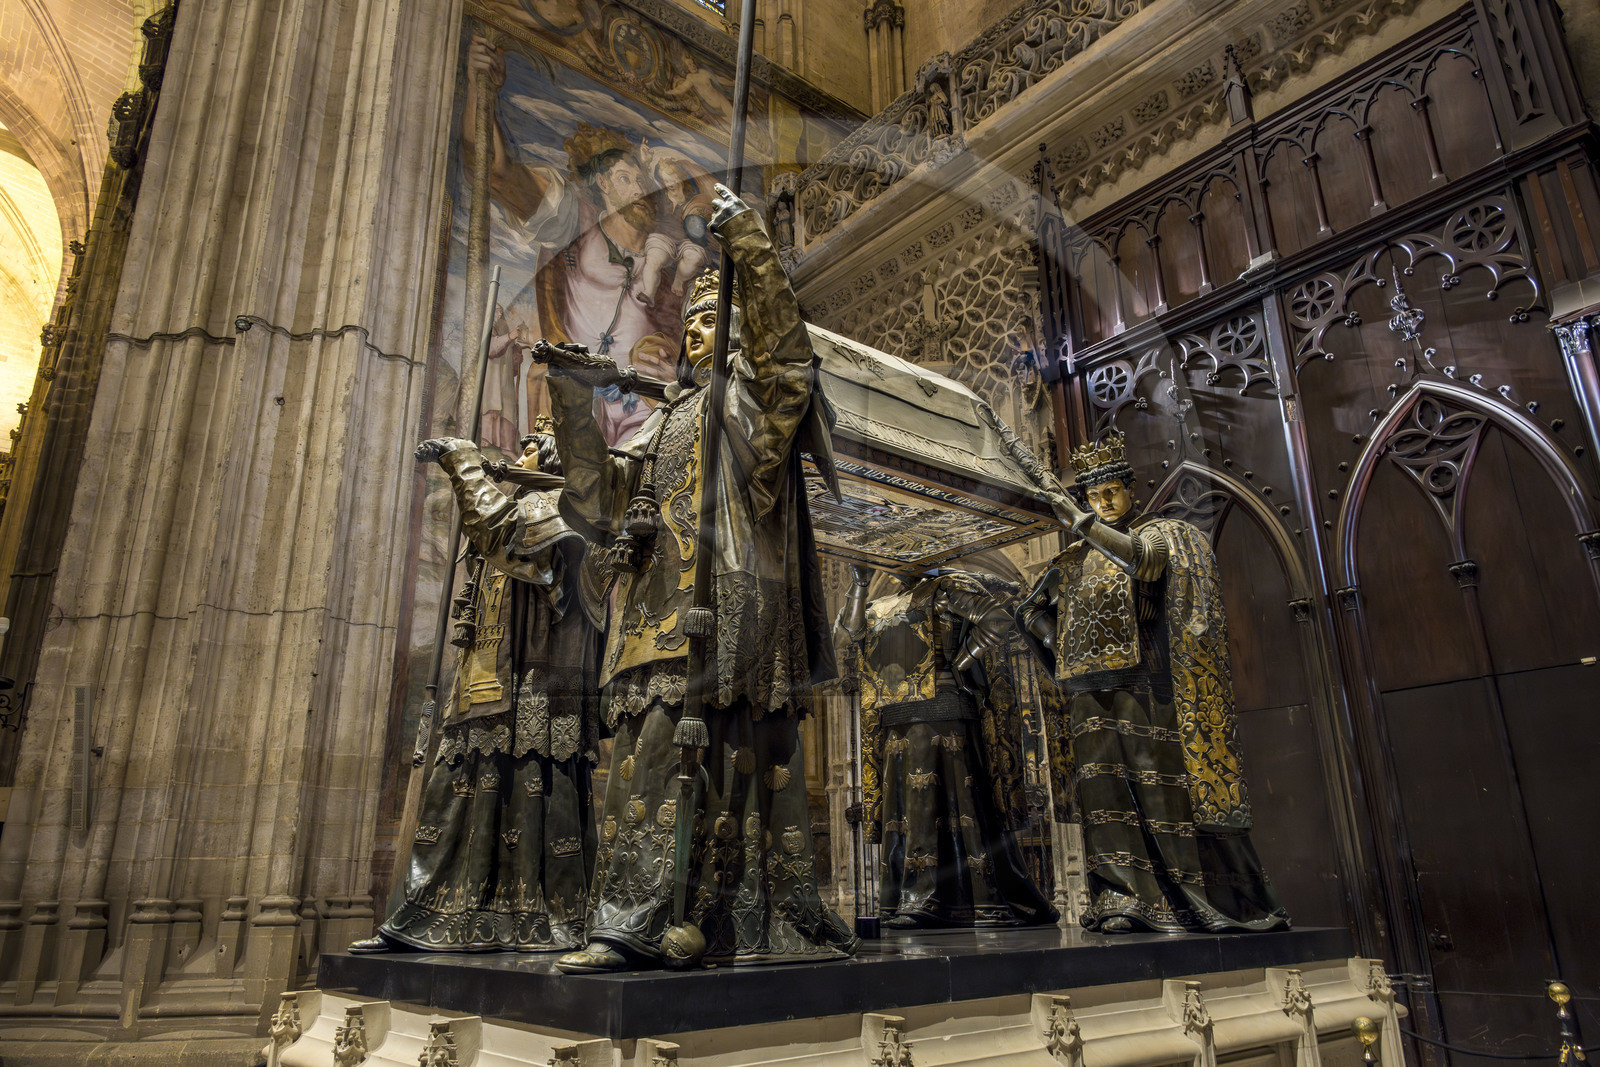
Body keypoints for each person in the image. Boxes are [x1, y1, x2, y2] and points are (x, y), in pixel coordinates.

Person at [531, 183, 855, 973]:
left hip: (727, 606)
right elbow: (598, 500)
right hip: (655, 611)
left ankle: (704, 918)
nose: (699, 331)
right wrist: (572, 399)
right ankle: (636, 918)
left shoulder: (747, 400)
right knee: (641, 764)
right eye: (695, 321)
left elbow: (789, 365)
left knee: (724, 761)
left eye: (717, 320)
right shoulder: (662, 420)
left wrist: (751, 247)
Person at [1015, 434, 1290, 935]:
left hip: (1146, 684)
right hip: (1087, 690)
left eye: (1111, 492)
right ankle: (1122, 898)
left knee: (1160, 793)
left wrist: (1082, 522)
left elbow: (1144, 561)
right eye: (1093, 496)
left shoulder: (1161, 532)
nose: (1103, 503)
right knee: (1104, 798)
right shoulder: (1072, 559)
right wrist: (1060, 642)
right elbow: (1030, 609)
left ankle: (1184, 898)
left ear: (1130, 490)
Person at [351, 428, 601, 952]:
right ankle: (438, 914)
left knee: (529, 789)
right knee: (460, 792)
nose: (517, 456)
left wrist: (464, 460)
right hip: (487, 679)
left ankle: (531, 915)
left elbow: (502, 532)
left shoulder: (561, 505)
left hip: (535, 683)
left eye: (530, 448)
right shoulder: (525, 505)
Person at [462, 38, 712, 444]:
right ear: (602, 184)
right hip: (581, 411)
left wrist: (678, 375)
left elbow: (693, 346)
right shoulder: (572, 222)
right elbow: (497, 172)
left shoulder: (667, 262)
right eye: (625, 179)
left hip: (647, 412)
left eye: (641, 180)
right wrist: (481, 86)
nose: (639, 190)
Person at [836, 567, 1057, 929]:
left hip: (942, 707)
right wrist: (859, 583)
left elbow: (997, 620)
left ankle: (930, 899)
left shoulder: (947, 587)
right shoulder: (880, 604)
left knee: (937, 801)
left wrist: (960, 662)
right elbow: (847, 634)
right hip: (895, 715)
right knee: (905, 806)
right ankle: (910, 898)